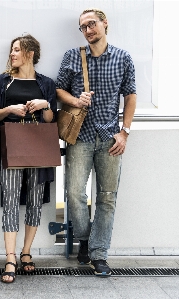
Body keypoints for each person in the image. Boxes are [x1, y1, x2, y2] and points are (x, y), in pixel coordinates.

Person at [56, 8, 137, 277]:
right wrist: (76, 100)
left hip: (110, 137)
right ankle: (85, 239)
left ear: (105, 24)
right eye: (83, 27)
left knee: (107, 197)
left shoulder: (123, 58)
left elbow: (130, 96)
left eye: (92, 24)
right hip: (79, 136)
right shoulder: (73, 56)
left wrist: (124, 131)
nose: (88, 30)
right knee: (75, 193)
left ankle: (99, 255)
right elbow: (59, 89)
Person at [0, 34, 57, 283]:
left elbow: (51, 120)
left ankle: (26, 252)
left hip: (39, 145)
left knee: (35, 200)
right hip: (11, 145)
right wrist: (9, 110)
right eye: (12, 50)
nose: (12, 54)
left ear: (30, 53)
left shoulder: (46, 83)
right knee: (9, 199)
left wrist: (44, 105)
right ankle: (10, 257)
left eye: (17, 50)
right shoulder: (3, 81)